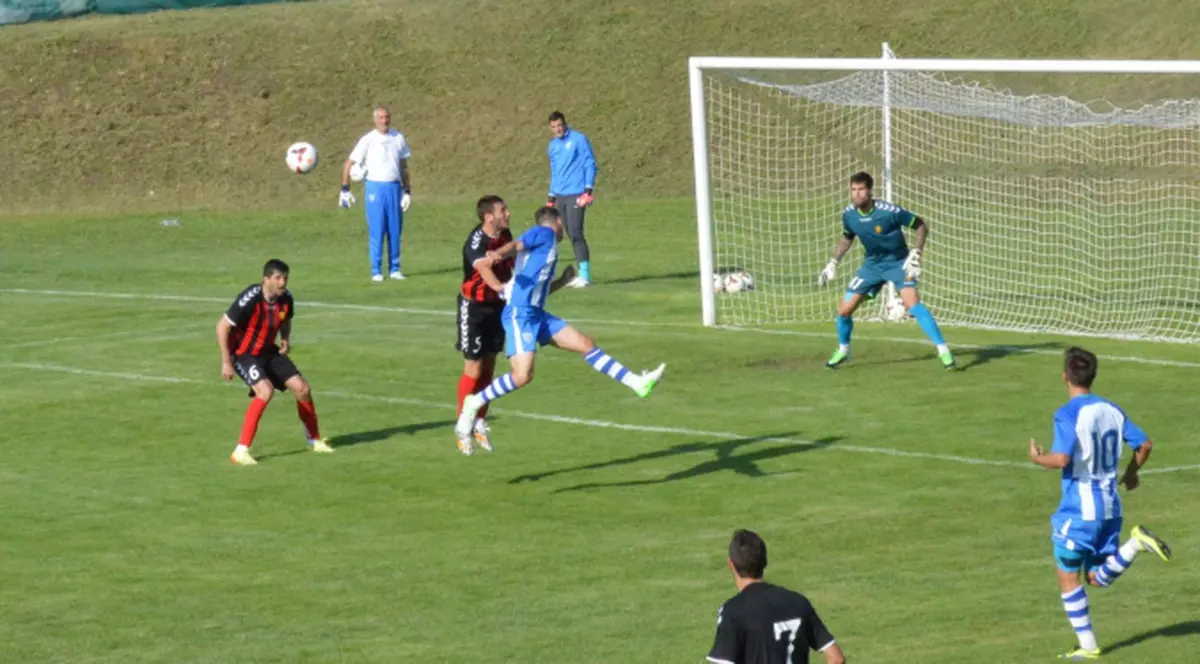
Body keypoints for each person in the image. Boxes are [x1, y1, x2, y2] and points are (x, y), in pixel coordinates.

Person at [454, 207, 665, 447]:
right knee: (522, 376)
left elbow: (537, 290)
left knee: (586, 344)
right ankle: (473, 403)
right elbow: (517, 244)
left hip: (536, 314)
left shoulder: (546, 249)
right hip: (520, 315)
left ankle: (637, 383)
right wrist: (498, 255)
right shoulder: (544, 233)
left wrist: (562, 282)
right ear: (558, 221)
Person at [1028, 347, 1172, 660]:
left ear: (1065, 376)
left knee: (1068, 576)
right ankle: (1135, 545)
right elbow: (1144, 444)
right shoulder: (1112, 409)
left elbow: (1062, 458)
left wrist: (1038, 458)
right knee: (1095, 577)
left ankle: (1089, 647)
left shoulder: (1067, 414)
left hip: (1079, 510)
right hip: (1110, 507)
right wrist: (1131, 472)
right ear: (1092, 377)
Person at [816, 171, 955, 369]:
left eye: (861, 189)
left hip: (898, 263)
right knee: (844, 311)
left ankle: (944, 351)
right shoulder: (849, 215)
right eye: (853, 190)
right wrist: (833, 262)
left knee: (913, 305)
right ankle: (843, 350)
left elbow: (921, 224)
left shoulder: (889, 211)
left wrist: (916, 253)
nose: (856, 194)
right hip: (871, 266)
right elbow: (847, 238)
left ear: (870, 191)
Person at [217, 259, 333, 465]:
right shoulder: (250, 298)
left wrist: (285, 339)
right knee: (265, 391)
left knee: (302, 389)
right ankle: (240, 451)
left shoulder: (286, 298)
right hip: (244, 354)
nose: (283, 283)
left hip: (269, 351)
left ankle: (314, 440)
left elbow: (286, 320)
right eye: (278, 278)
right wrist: (226, 362)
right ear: (266, 279)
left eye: (285, 278)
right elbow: (222, 326)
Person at [707, 530, 846, 664]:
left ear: (731, 564)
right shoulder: (798, 602)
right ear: (764, 561)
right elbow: (836, 658)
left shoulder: (733, 611)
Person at [455, 195, 516, 456]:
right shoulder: (475, 243)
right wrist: (501, 288)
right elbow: (485, 272)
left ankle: (480, 419)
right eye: (503, 210)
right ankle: (462, 424)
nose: (508, 214)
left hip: (497, 308)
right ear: (488, 216)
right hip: (475, 309)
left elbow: (512, 253)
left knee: (490, 365)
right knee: (474, 366)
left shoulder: (504, 235)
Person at [340, 105, 413, 282]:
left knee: (395, 230)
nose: (384, 121)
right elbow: (349, 163)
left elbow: (404, 166)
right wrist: (345, 189)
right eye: (380, 117)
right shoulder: (368, 140)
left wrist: (407, 190)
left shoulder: (398, 138)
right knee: (377, 230)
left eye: (386, 117)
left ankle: (395, 268)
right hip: (375, 188)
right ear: (375, 120)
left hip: (394, 187)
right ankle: (376, 270)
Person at [545, 110, 597, 288]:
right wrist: (551, 197)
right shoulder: (552, 146)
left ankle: (585, 275)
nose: (558, 129)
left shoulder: (578, 139)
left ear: (565, 124)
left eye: (559, 125)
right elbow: (555, 172)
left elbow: (589, 163)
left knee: (576, 232)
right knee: (564, 233)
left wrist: (588, 189)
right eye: (554, 127)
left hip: (576, 193)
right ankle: (557, 273)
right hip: (560, 195)